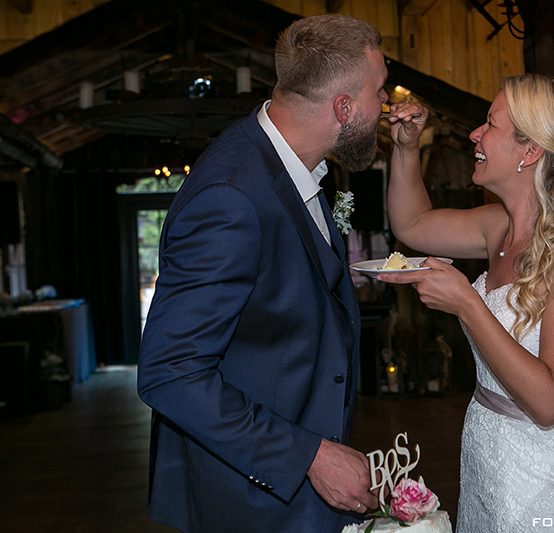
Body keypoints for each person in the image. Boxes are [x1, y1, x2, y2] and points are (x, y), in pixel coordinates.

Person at [136, 14, 388, 533]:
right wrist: (311, 455)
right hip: (251, 501)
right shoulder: (230, 198)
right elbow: (171, 372)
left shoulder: (294, 163)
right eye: (379, 92)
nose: (384, 105)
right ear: (343, 107)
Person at [380, 74, 554, 532]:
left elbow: (551, 402)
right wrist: (407, 150)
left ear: (529, 152)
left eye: (489, 124)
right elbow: (411, 224)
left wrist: (469, 304)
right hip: (488, 462)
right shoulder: (498, 227)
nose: (475, 134)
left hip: (552, 480)